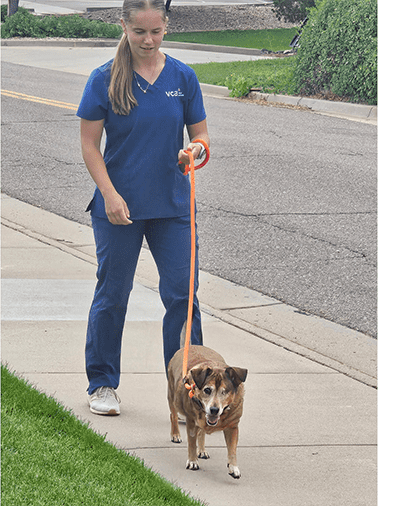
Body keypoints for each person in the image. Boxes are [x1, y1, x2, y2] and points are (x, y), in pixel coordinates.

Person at [77, 0, 210, 416]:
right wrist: (110, 195)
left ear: (166, 27)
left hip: (172, 206)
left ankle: (189, 389)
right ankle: (102, 384)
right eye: (139, 33)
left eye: (155, 31)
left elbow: (202, 138)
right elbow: (88, 146)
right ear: (124, 27)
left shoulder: (183, 78)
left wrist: (196, 151)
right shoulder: (103, 80)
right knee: (113, 295)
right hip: (119, 207)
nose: (148, 40)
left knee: (183, 296)